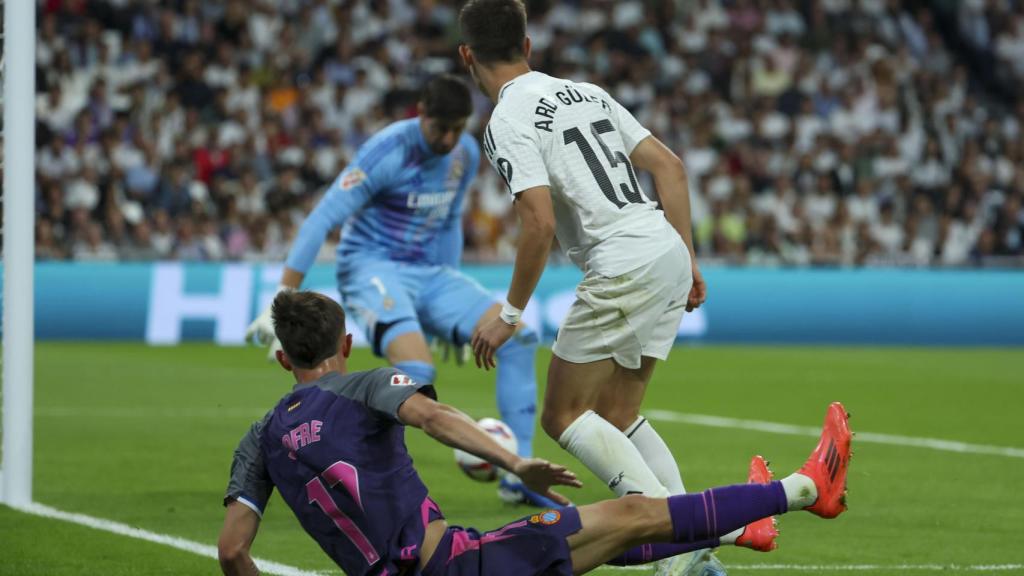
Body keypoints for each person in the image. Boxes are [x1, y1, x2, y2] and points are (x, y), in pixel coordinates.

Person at [217, 290, 853, 576]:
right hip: (454, 566)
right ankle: (804, 489)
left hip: (456, 558)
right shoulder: (365, 385)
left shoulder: (261, 437)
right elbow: (435, 417)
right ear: (347, 343)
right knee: (632, 512)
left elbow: (231, 552)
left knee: (601, 538)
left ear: (284, 359)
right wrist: (515, 462)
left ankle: (741, 529)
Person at [457, 1, 722, 572]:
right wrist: (689, 259)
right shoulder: (586, 92)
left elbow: (538, 223)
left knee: (562, 415)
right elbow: (671, 168)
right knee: (616, 413)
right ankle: (695, 545)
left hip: (621, 261)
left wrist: (508, 315)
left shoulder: (505, 120)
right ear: (528, 46)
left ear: (466, 55)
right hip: (663, 246)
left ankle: (670, 545)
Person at [245, 74, 555, 506]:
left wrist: (444, 309)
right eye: (440, 128)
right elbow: (322, 218)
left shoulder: (465, 153)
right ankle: (350, 470)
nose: (448, 139)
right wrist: (284, 293)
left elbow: (448, 221)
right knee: (417, 371)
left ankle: (518, 476)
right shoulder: (386, 152)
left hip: (430, 273)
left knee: (519, 339)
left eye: (457, 128)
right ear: (421, 113)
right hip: (371, 267)